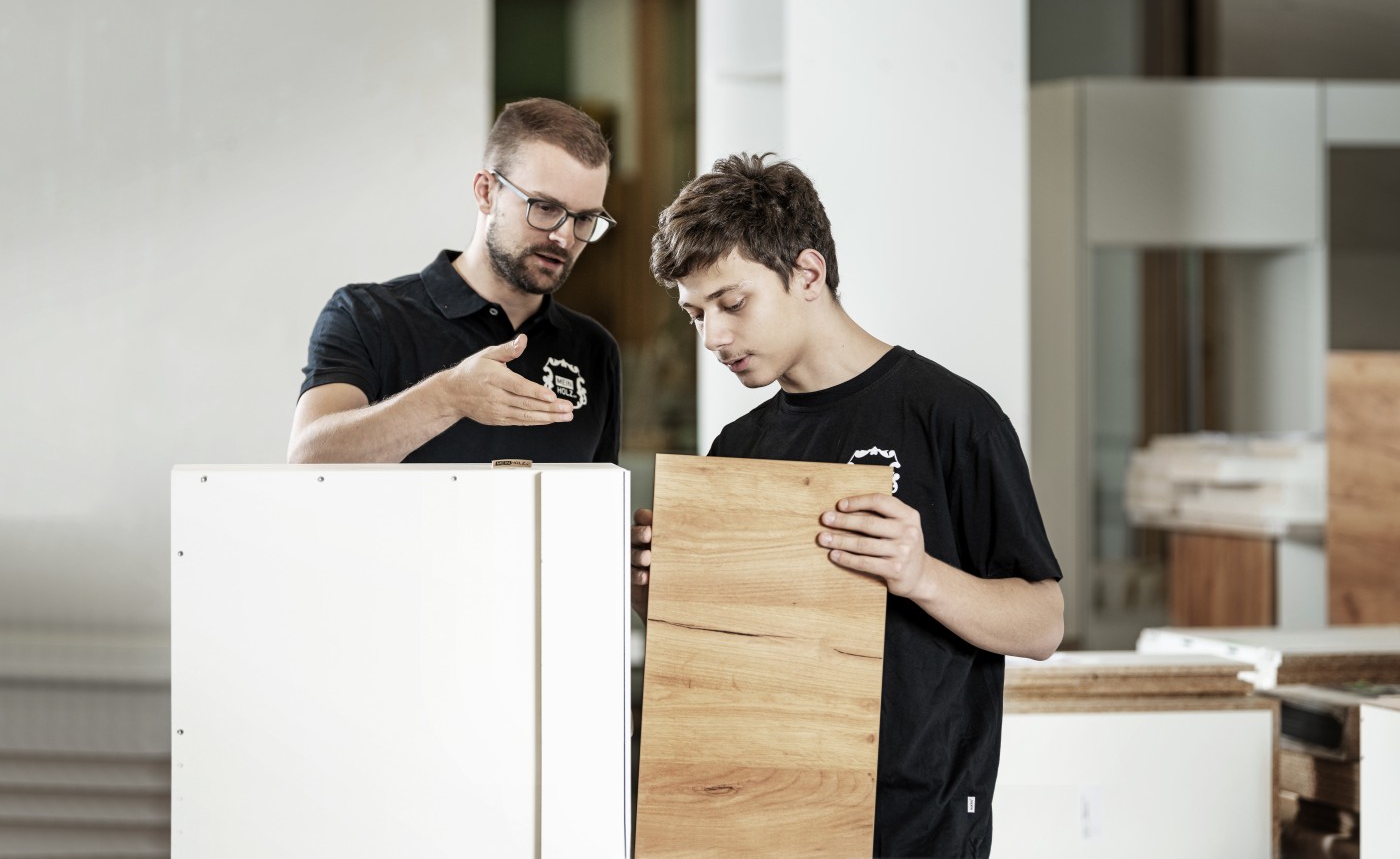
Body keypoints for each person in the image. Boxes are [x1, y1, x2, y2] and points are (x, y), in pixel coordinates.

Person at [631, 153, 1063, 858]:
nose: (713, 337)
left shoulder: (953, 416)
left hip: (919, 825)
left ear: (807, 273)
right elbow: (729, 650)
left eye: (732, 303)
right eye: (695, 314)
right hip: (766, 817)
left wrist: (922, 574)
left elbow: (1043, 623)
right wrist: (656, 593)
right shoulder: (738, 445)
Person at [288, 98, 621, 465]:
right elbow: (309, 461)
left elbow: (598, 504)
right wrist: (448, 397)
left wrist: (633, 525)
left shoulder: (594, 349)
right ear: (486, 192)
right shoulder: (368, 316)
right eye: (545, 208)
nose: (566, 236)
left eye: (585, 218)